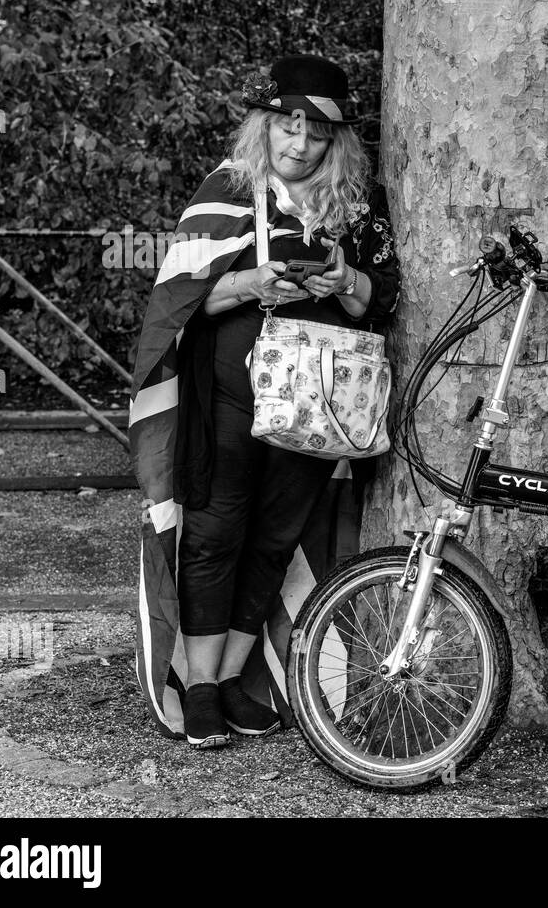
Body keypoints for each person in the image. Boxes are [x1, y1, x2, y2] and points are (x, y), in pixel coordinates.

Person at [129, 55, 402, 748]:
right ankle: (197, 687)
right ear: (268, 125)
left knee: (277, 537)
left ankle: (231, 677)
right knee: (218, 529)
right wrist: (253, 281)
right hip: (232, 390)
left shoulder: (359, 207)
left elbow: (385, 297)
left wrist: (345, 281)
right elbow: (180, 300)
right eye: (289, 125)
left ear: (336, 142)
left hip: (319, 402)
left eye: (317, 132)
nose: (301, 142)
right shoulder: (228, 189)